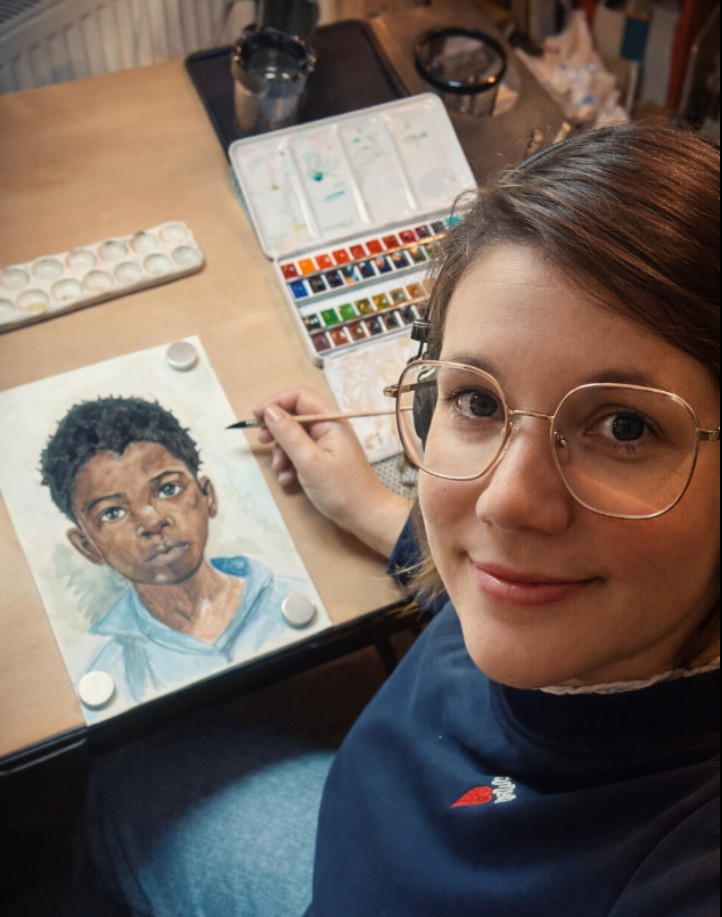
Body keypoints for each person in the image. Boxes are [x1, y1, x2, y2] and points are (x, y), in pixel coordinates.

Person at [68, 122, 719, 917]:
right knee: (136, 771)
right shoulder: (574, 597)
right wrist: (368, 507)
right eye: (476, 401)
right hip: (350, 845)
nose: (505, 501)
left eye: (624, 426)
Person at [41, 396, 306, 704]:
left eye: (169, 489)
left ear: (207, 496)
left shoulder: (291, 595)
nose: (152, 522)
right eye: (112, 513)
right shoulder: (115, 674)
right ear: (88, 547)